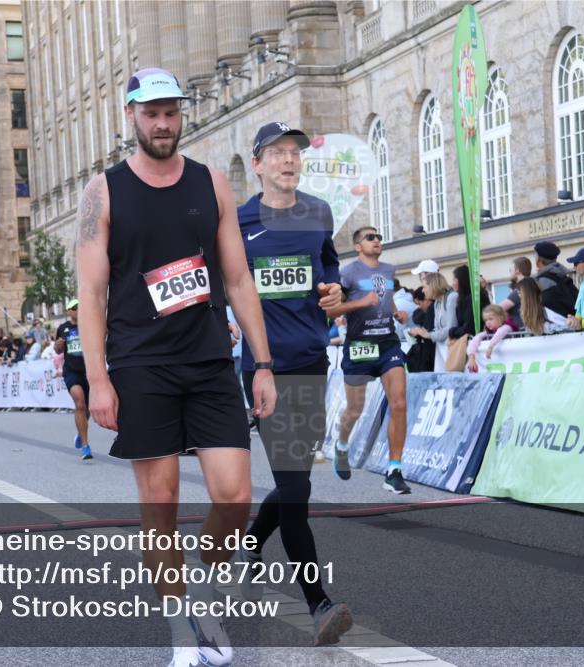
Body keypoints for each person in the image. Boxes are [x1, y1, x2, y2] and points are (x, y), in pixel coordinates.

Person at [74, 67, 277, 667]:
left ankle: (207, 592)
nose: (163, 123)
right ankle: (184, 637)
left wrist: (261, 363)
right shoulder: (102, 192)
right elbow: (91, 295)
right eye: (151, 113)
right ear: (132, 116)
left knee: (235, 498)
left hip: (211, 357)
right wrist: (99, 378)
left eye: (171, 112)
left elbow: (238, 276)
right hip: (141, 365)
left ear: (181, 115)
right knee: (159, 506)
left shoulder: (212, 183)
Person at [233, 120, 353, 646]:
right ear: (256, 164)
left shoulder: (317, 213)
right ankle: (319, 604)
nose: (288, 159)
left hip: (310, 363)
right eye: (277, 152)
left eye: (294, 152)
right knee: (298, 491)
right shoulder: (236, 223)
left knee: (291, 483)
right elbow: (224, 285)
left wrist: (331, 293)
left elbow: (328, 272)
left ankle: (251, 544)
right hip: (264, 370)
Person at [327, 226, 411, 494]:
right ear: (358, 246)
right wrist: (361, 304)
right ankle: (342, 446)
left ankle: (394, 470)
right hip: (360, 345)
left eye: (379, 237)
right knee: (355, 410)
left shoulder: (388, 270)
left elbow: (385, 298)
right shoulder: (347, 273)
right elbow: (333, 309)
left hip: (387, 343)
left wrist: (396, 313)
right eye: (370, 238)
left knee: (398, 402)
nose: (377, 241)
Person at [56, 299, 93, 460]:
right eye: (74, 308)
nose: (78, 310)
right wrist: (58, 344)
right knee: (79, 404)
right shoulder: (63, 328)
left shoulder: (90, 324)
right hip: (72, 371)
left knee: (89, 409)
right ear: (69, 311)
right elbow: (57, 349)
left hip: (90, 371)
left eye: (80, 307)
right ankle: (85, 446)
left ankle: (80, 432)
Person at [406, 272, 458, 373]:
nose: (423, 290)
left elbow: (451, 329)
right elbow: (438, 329)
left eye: (424, 286)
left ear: (433, 285)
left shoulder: (452, 297)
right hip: (442, 352)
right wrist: (423, 332)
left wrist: (428, 335)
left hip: (452, 351)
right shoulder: (437, 303)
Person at [446, 264, 492, 371]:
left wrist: (452, 331)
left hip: (475, 348)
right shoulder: (464, 299)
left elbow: (468, 328)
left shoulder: (471, 300)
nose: (452, 283)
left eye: (454, 279)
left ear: (462, 281)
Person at [534, 241, 578, 318]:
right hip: (572, 322)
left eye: (535, 256)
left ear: (539, 260)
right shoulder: (562, 275)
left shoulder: (543, 281)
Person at [466, 304, 515, 372]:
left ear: (501, 318)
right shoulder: (488, 332)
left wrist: (490, 346)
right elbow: (475, 339)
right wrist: (471, 357)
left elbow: (500, 332)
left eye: (490, 319)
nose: (488, 322)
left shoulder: (507, 327)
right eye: (486, 320)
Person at [404, 287, 435, 373]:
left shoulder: (432, 311)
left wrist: (419, 332)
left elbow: (429, 330)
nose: (419, 307)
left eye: (419, 303)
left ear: (426, 300)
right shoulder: (429, 311)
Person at [498, 256, 532, 329]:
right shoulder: (531, 286)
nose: (510, 273)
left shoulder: (520, 290)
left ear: (517, 270)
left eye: (510, 270)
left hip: (521, 332)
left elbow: (496, 310)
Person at [566, 246, 584, 330]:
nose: (574, 267)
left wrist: (581, 323)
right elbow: (579, 315)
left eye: (576, 263)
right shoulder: (583, 286)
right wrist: (574, 320)